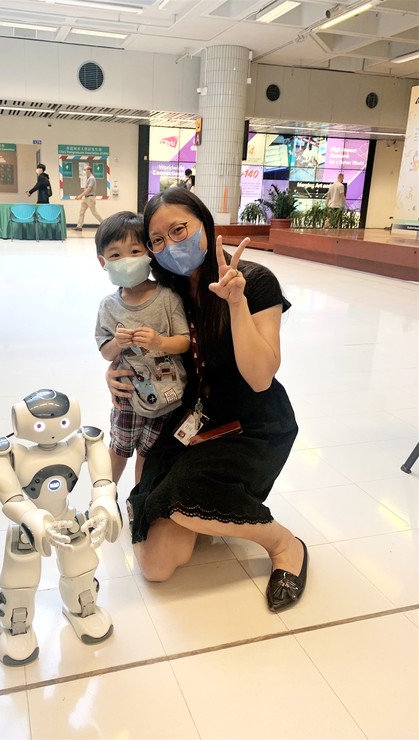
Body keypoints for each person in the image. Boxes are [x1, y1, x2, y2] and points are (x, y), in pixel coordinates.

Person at [106, 188, 307, 613]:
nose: (170, 245)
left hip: (251, 425)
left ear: (205, 223)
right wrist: (115, 372)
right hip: (190, 418)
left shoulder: (254, 280)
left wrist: (236, 303)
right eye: (157, 240)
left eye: (179, 230)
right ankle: (204, 513)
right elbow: (135, 343)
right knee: (157, 564)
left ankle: (284, 544)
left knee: (186, 500)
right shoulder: (168, 289)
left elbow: (260, 378)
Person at [95, 211, 191, 486]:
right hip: (127, 394)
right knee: (118, 448)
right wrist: (117, 343)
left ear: (149, 253)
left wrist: (159, 342)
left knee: (148, 455)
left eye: (135, 251)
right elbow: (105, 352)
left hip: (166, 395)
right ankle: (104, 498)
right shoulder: (109, 306)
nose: (126, 260)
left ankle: (139, 500)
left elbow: (184, 341)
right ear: (103, 262)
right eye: (115, 255)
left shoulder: (167, 298)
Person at [74, 165, 103, 232]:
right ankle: (79, 226)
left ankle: (104, 223)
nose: (84, 171)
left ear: (89, 170)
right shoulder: (88, 178)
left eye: (85, 170)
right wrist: (82, 196)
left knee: (94, 212)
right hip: (86, 198)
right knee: (81, 212)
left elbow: (88, 189)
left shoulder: (92, 178)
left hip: (90, 198)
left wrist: (80, 196)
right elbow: (86, 190)